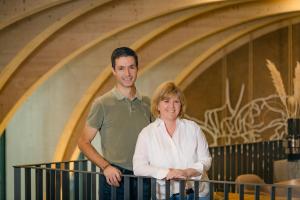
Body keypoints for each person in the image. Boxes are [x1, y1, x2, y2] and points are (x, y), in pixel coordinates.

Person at [78, 47, 152, 200]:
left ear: (137, 68)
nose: (127, 73)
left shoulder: (148, 103)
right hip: (115, 177)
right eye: (121, 68)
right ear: (113, 71)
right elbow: (83, 142)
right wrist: (105, 167)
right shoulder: (102, 103)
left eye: (131, 67)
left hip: (144, 176)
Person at [133, 81, 212, 200]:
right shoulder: (147, 134)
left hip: (199, 193)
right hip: (166, 195)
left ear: (181, 106)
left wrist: (187, 173)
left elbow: (206, 160)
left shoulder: (193, 128)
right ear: (157, 105)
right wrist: (167, 173)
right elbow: (138, 167)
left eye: (176, 101)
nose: (172, 106)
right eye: (166, 101)